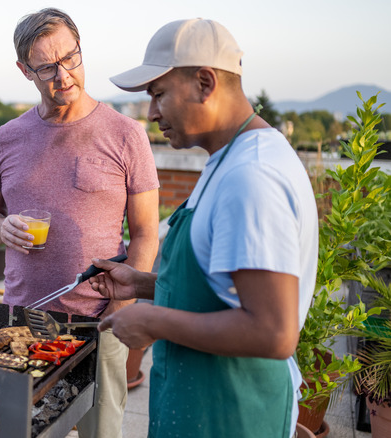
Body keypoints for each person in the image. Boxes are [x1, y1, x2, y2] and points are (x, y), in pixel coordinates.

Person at [91, 18, 319, 437]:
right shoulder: (233, 158)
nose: (152, 112)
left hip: (231, 415)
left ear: (205, 82)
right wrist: (141, 285)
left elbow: (274, 332)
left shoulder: (252, 176)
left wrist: (152, 323)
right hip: (205, 408)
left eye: (158, 94)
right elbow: (220, 292)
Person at [0, 8, 160, 438]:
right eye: (46, 66)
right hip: (22, 320)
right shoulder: (9, 136)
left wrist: (119, 309)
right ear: (25, 70)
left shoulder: (126, 133)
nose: (64, 75)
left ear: (80, 51)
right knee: (24, 431)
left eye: (71, 58)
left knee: (101, 433)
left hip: (100, 321)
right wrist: (0, 227)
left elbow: (146, 232)